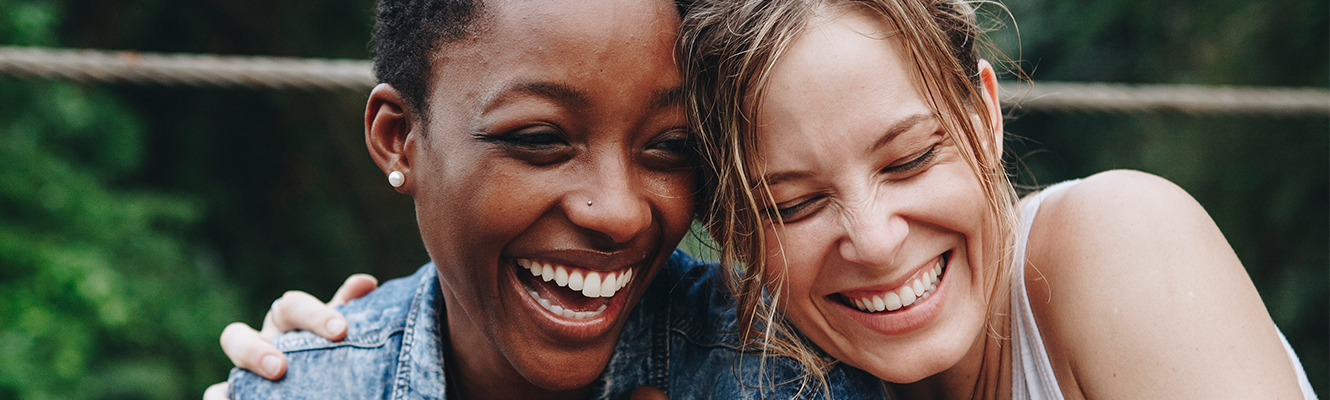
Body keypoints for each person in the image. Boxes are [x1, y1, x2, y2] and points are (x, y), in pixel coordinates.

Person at [213, 0, 892, 398]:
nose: (619, 211)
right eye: (540, 139)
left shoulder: (788, 377)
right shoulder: (306, 384)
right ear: (400, 139)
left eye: (669, 147)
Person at [678, 0, 1319, 398]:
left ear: (985, 115)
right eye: (795, 205)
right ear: (729, 228)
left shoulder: (1126, 242)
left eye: (910, 159)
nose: (875, 241)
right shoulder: (734, 373)